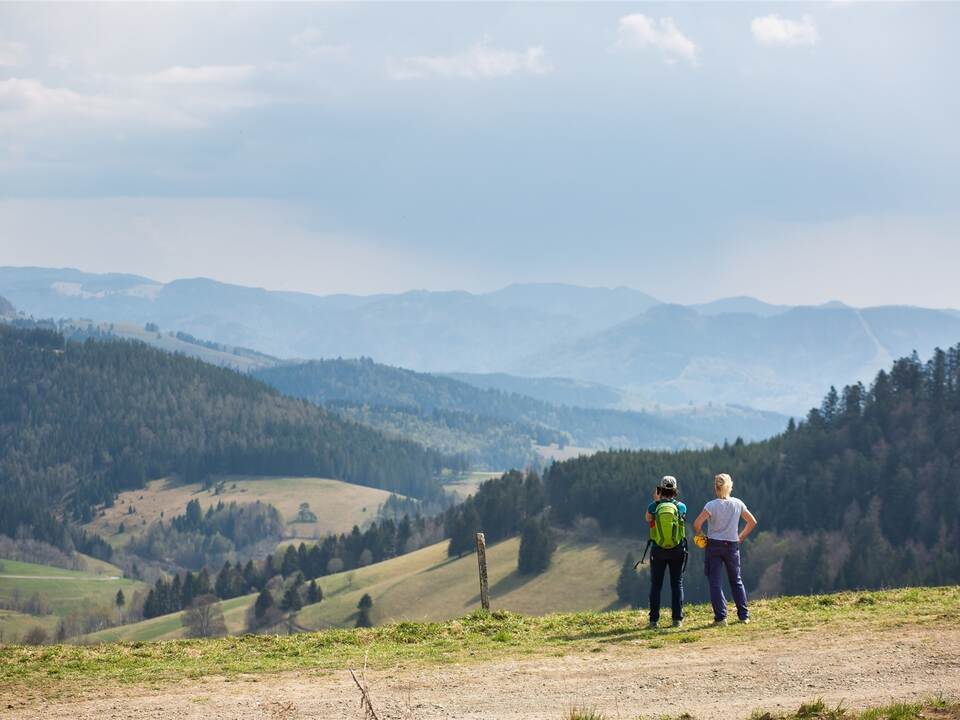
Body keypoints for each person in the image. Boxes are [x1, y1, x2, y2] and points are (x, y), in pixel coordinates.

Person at [693, 473, 757, 626]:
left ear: (716, 488)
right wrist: (740, 537)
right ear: (730, 487)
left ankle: (721, 618)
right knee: (736, 580)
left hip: (714, 545)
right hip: (732, 545)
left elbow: (697, 524)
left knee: (715, 582)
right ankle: (743, 616)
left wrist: (702, 537)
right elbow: (752, 522)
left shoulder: (711, 505)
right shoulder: (738, 503)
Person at [645, 475, 687, 629]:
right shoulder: (681, 506)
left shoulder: (653, 507)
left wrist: (656, 501)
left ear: (660, 489)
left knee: (656, 585)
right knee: (676, 584)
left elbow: (648, 519)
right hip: (677, 549)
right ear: (675, 490)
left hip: (658, 549)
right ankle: (677, 619)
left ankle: (654, 620)